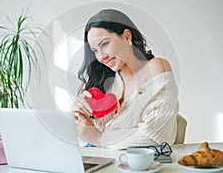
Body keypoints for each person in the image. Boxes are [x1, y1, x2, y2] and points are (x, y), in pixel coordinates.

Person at [72, 9, 179, 149]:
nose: (100, 57)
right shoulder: (103, 78)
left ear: (127, 37)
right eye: (95, 51)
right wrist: (79, 113)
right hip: (100, 156)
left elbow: (154, 136)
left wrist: (99, 138)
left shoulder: (156, 68)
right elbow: (88, 130)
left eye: (104, 44)